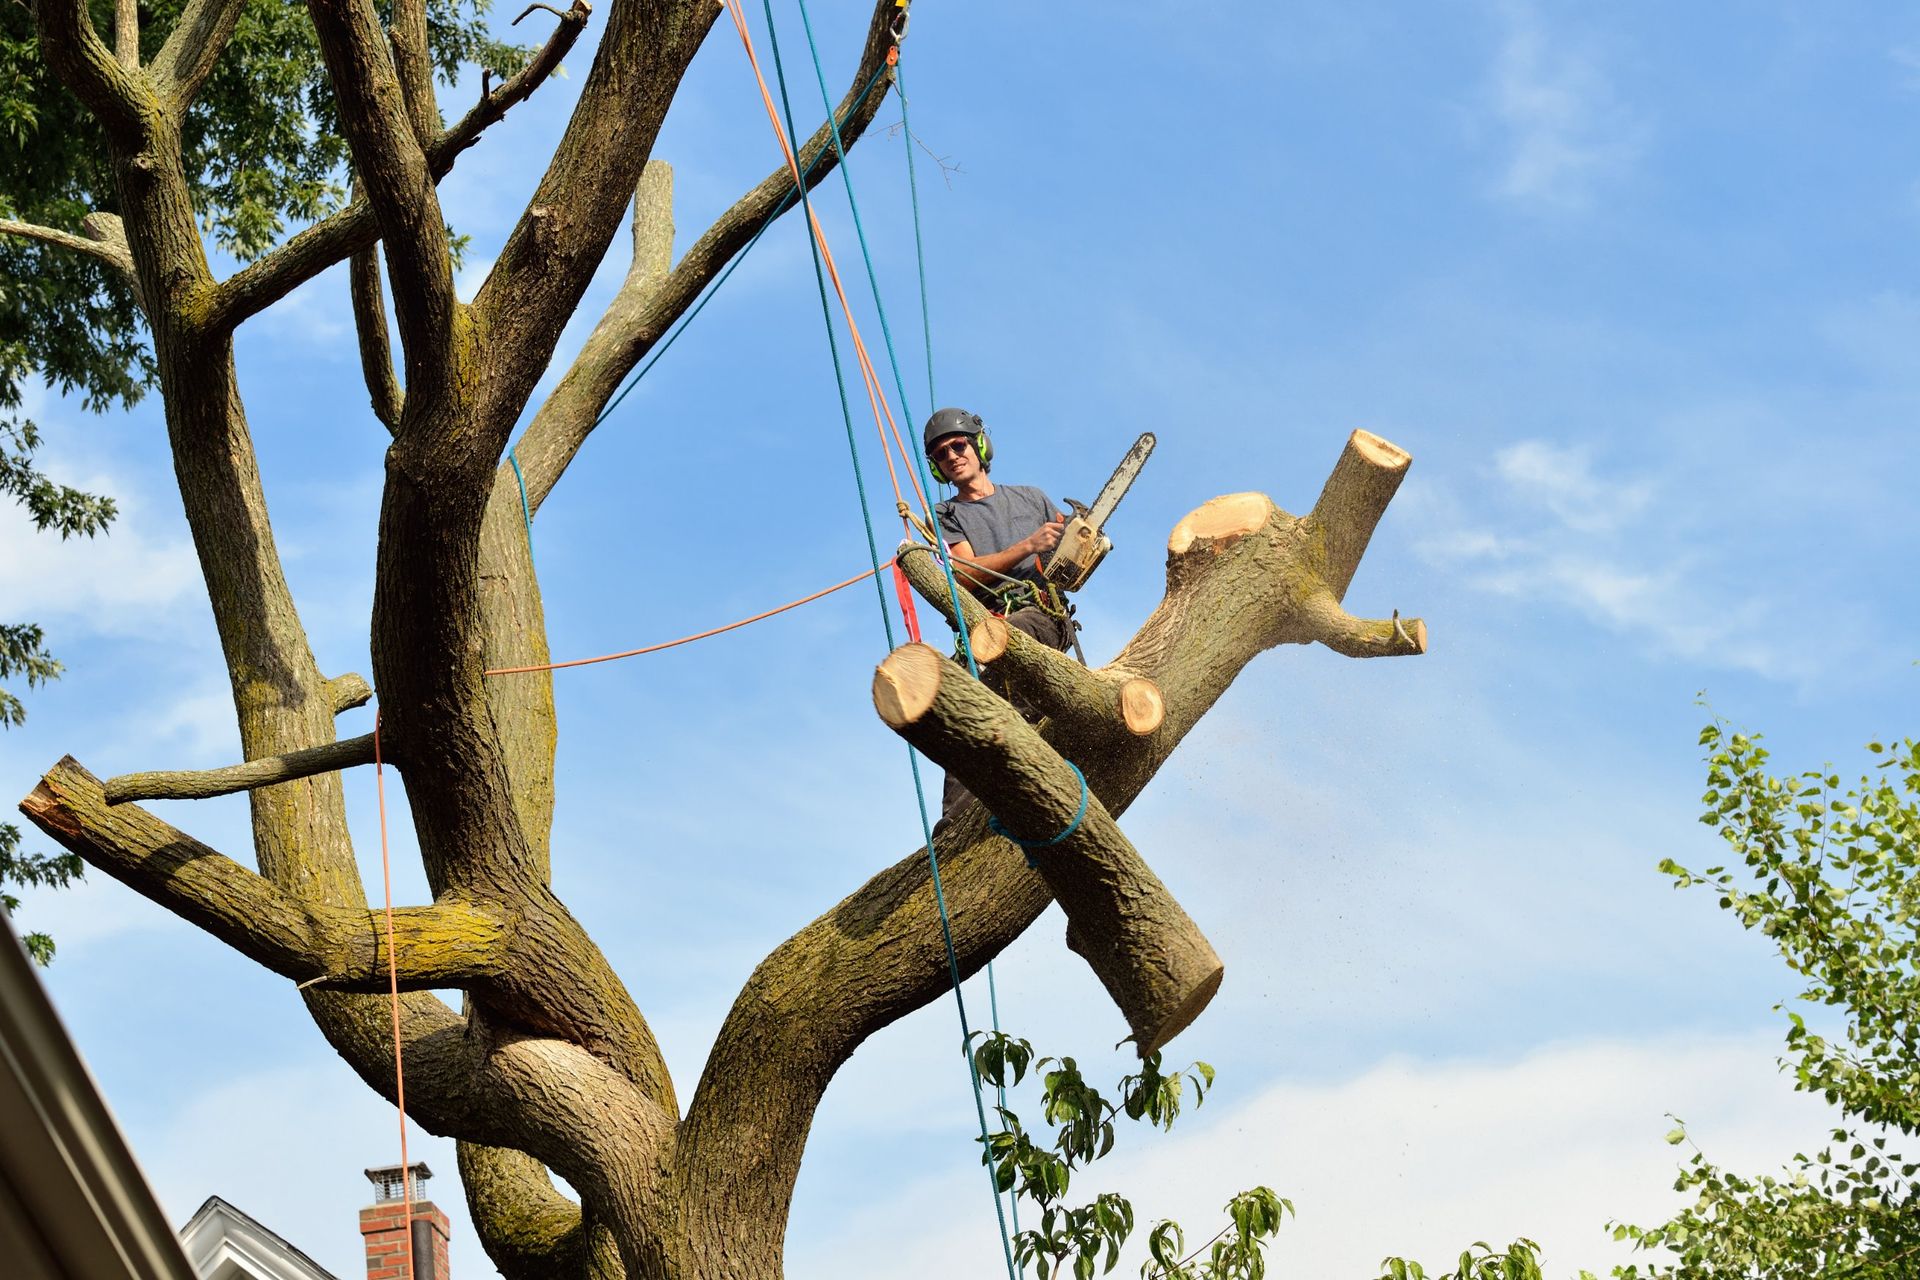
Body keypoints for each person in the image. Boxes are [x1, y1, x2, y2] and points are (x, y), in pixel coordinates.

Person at [922, 407, 1076, 821]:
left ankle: (1031, 770)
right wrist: (1027, 546)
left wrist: (1081, 540)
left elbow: (1072, 554)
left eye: (958, 445)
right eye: (941, 454)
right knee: (958, 704)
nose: (952, 455)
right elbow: (965, 575)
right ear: (937, 467)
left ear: (979, 445)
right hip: (986, 626)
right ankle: (958, 823)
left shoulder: (1030, 497)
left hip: (1037, 615)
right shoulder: (945, 516)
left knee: (1018, 639)